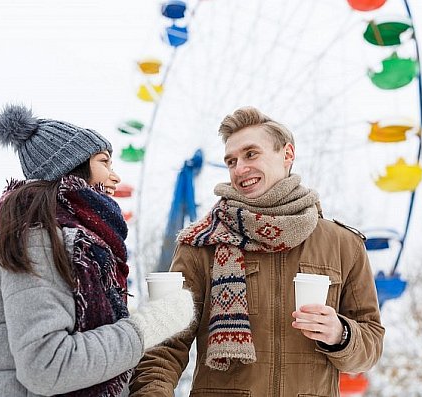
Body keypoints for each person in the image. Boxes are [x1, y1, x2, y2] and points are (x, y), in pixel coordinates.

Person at [129, 106, 384, 396]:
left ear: (287, 154)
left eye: (251, 154)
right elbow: (165, 344)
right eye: (231, 161)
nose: (239, 169)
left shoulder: (343, 244)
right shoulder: (201, 244)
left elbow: (371, 344)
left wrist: (340, 333)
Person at [0, 104, 195, 397]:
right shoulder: (38, 241)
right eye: (104, 162)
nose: (115, 177)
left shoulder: (80, 246)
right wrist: (150, 325)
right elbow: (47, 366)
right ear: (70, 167)